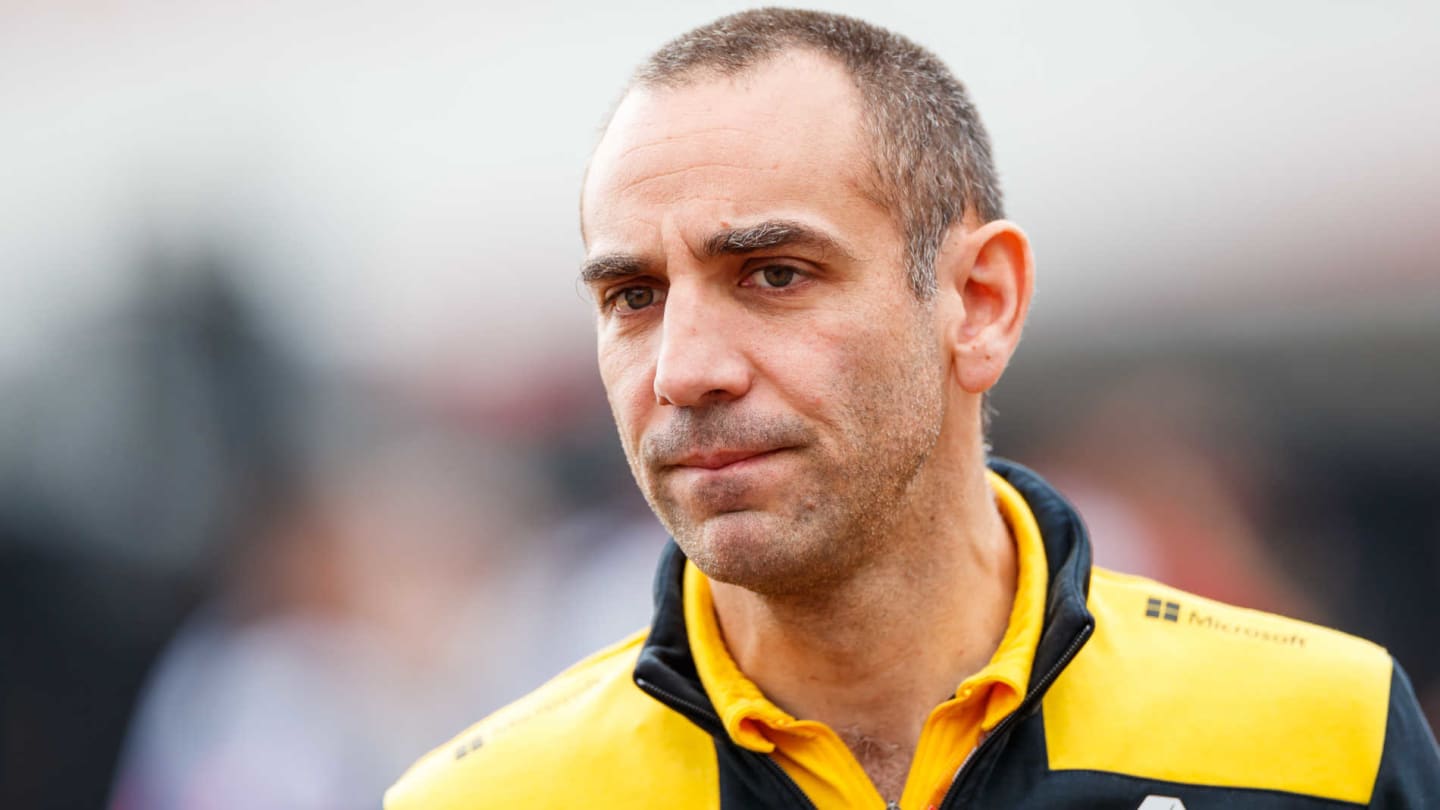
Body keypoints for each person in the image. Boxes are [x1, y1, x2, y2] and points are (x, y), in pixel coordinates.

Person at [385, 8, 1440, 808]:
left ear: (980, 304)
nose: (683, 369)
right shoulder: (487, 797)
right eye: (633, 297)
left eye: (775, 274)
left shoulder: (1324, 737)